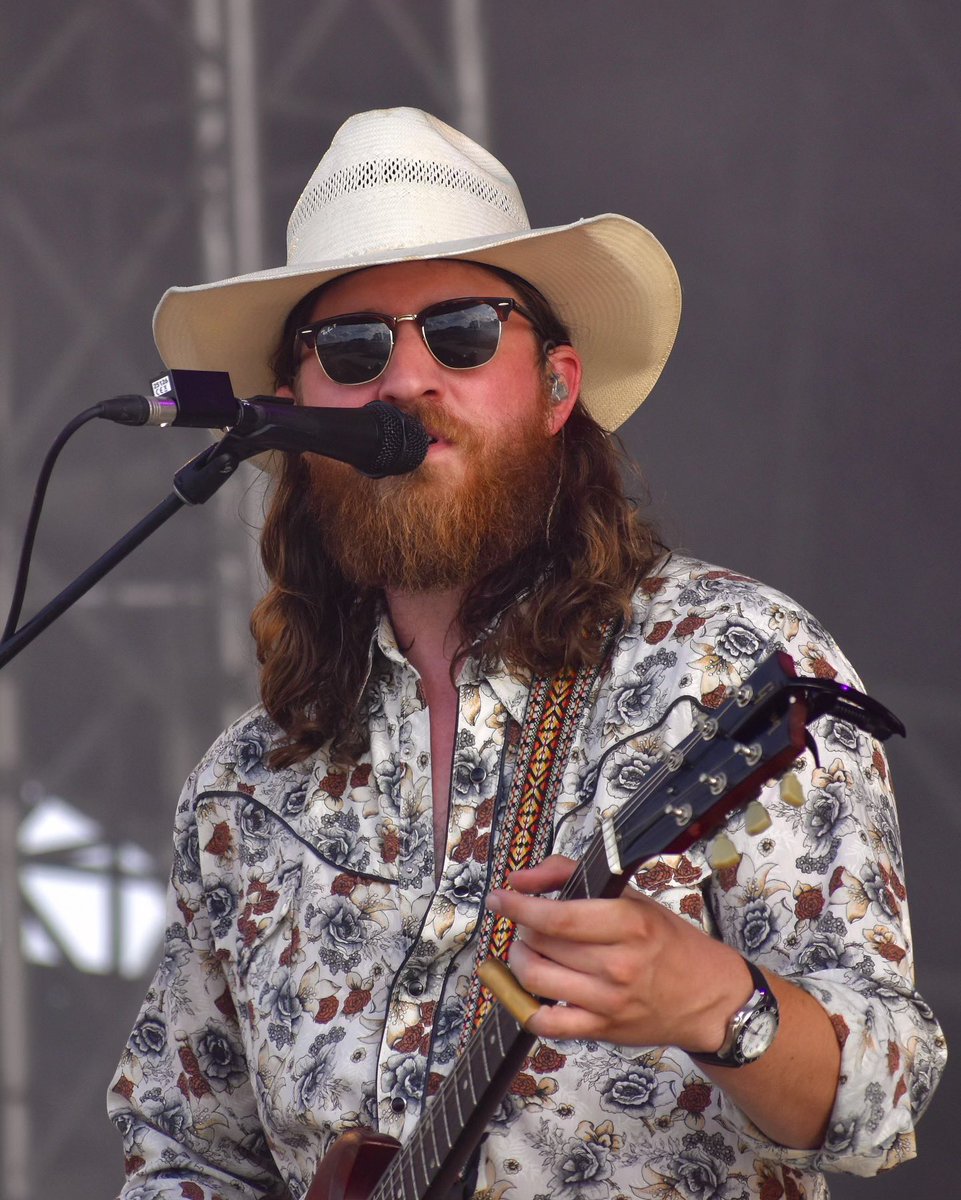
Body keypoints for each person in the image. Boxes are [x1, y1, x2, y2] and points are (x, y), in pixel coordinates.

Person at [108, 108, 944, 1200]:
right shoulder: (247, 788)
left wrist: (713, 1003)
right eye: (354, 350)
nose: (405, 381)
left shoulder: (730, 666)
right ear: (295, 418)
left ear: (556, 387)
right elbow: (183, 1149)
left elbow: (880, 1098)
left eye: (458, 333)